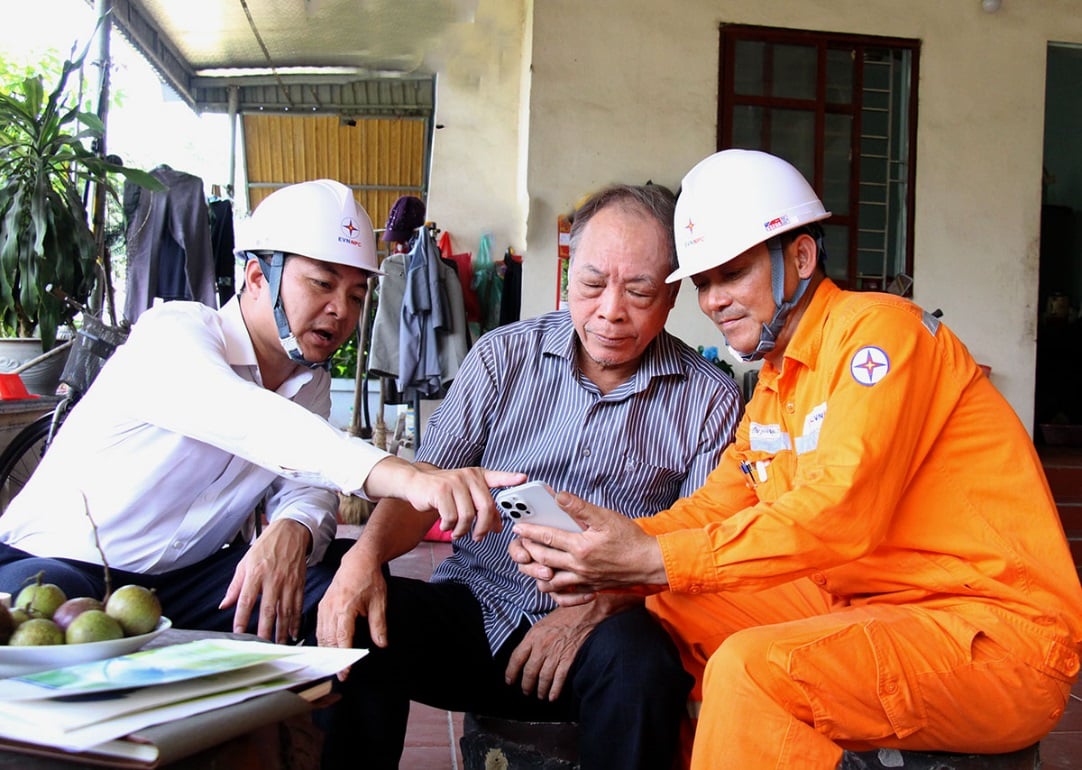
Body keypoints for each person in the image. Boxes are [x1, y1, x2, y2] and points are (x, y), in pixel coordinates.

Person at [512, 150, 1082, 770]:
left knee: (752, 671)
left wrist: (650, 557)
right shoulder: (777, 383)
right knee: (665, 610)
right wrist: (607, 543)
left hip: (995, 638)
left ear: (801, 259)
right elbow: (718, 504)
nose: (713, 300)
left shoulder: (880, 336)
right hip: (866, 605)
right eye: (703, 283)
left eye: (732, 274)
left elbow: (839, 513)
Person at [316, 182, 745, 770]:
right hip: (475, 609)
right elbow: (421, 491)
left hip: (601, 632)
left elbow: (691, 553)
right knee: (352, 613)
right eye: (592, 285)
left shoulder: (709, 398)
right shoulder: (502, 357)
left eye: (639, 291)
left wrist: (591, 611)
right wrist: (363, 558)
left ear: (673, 294)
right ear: (568, 275)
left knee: (644, 667)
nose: (610, 310)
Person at [0, 179, 522, 644]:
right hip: (52, 564)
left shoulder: (308, 382)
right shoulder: (174, 334)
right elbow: (255, 423)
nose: (341, 310)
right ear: (256, 277)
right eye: (321, 283)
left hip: (185, 582)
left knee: (353, 606)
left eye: (357, 294)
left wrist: (292, 528)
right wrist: (410, 479)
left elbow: (309, 485)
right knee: (56, 624)